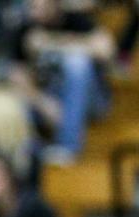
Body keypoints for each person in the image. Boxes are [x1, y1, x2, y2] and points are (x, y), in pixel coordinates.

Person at [11, 0, 115, 161]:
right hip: (50, 101)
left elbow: (107, 50)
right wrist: (43, 102)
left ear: (55, 5)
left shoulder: (74, 20)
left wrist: (54, 42)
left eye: (41, 7)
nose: (35, 12)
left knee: (77, 62)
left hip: (92, 102)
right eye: (32, 6)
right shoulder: (26, 28)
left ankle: (68, 146)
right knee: (9, 98)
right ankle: (29, 157)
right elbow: (17, 76)